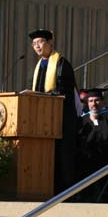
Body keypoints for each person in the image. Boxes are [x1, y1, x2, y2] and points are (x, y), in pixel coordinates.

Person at [28, 29, 79, 193]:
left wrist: (45, 96)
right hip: (44, 120)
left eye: (40, 42)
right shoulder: (40, 65)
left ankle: (66, 192)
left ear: (51, 43)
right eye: (34, 44)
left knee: (63, 156)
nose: (37, 46)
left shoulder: (62, 64)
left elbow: (65, 93)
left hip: (61, 119)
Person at [77, 88, 108, 199]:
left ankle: (90, 196)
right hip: (86, 154)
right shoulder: (83, 119)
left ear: (102, 102)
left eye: (97, 100)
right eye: (91, 101)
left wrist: (95, 122)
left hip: (105, 155)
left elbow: (106, 136)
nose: (94, 104)